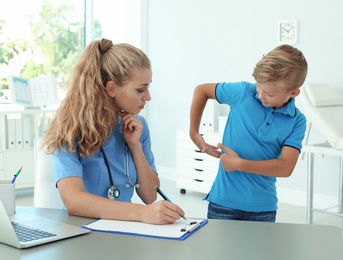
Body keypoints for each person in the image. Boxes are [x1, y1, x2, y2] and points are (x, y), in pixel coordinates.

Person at [42, 38, 185, 225]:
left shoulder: (137, 127)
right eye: (140, 89)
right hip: (80, 230)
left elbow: (150, 195)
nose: (147, 97)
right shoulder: (69, 128)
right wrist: (141, 213)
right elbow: (73, 201)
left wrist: (135, 146)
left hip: (124, 228)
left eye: (148, 87)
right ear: (111, 88)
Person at [189, 44, 308, 222]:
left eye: (269, 93)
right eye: (259, 87)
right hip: (223, 204)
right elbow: (201, 90)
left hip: (263, 209)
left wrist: (239, 164)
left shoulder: (297, 121)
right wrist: (194, 134)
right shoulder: (244, 92)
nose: (260, 95)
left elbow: (285, 167)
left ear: (293, 92)